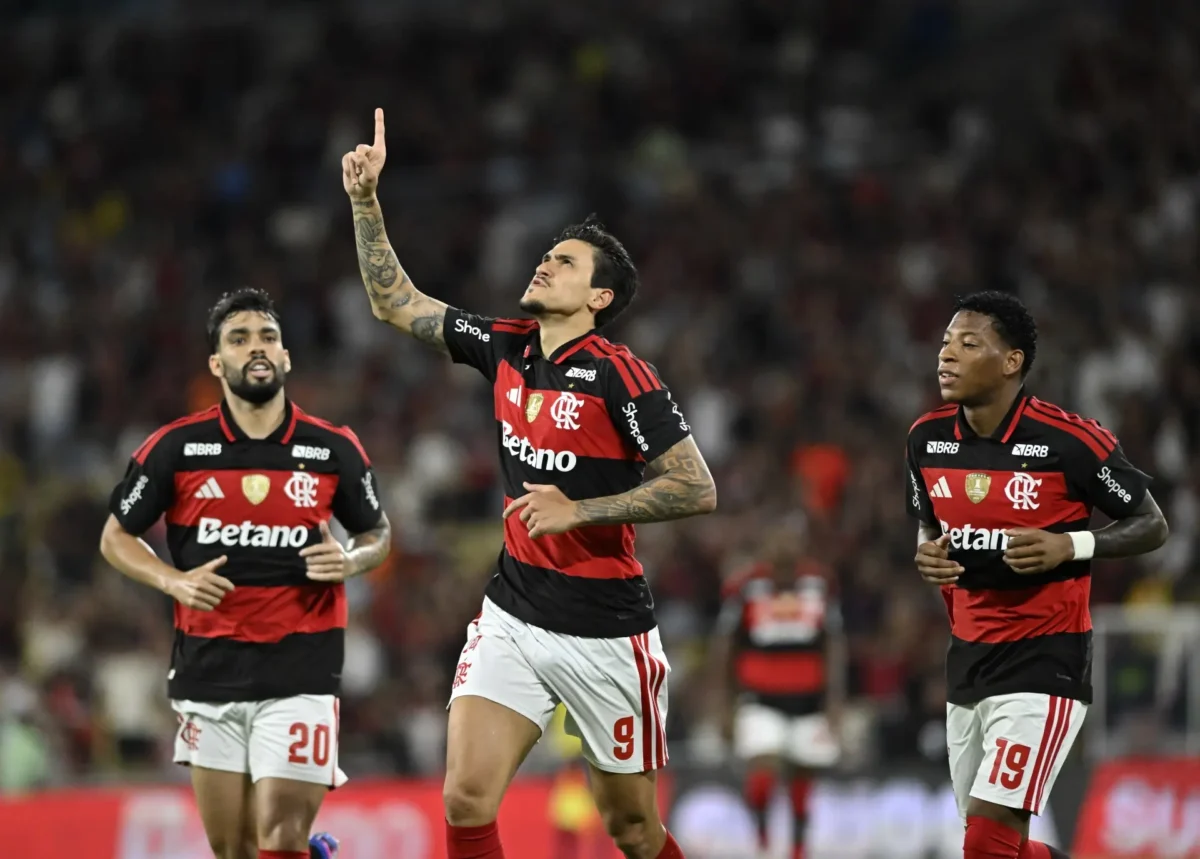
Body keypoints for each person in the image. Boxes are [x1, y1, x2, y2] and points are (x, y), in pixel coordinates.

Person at [342, 109, 717, 859]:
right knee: (464, 795)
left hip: (608, 629)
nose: (545, 264)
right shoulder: (505, 345)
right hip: (514, 611)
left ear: (598, 299)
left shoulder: (621, 374)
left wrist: (581, 508)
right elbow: (396, 302)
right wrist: (365, 203)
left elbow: (695, 485)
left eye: (566, 262)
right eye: (547, 254)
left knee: (634, 830)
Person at [99, 288, 392, 859]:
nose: (256, 348)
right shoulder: (175, 448)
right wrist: (173, 581)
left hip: (302, 668)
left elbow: (377, 532)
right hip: (208, 668)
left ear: (285, 358)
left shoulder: (332, 448)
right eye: (239, 339)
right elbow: (115, 536)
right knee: (233, 848)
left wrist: (352, 561)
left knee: (277, 837)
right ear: (217, 364)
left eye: (267, 337)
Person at [905, 291, 1169, 859]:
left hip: (1045, 658)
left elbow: (1151, 524)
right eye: (946, 343)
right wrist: (925, 551)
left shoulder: (1070, 442)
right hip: (968, 658)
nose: (947, 356)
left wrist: (1069, 545)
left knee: (987, 843)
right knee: (1000, 846)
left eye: (968, 344)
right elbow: (928, 522)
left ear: (1011, 362)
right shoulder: (924, 440)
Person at [713, 522, 845, 859]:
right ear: (767, 544)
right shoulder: (746, 585)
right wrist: (723, 707)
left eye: (793, 540)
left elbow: (834, 643)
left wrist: (834, 704)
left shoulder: (819, 583)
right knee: (763, 772)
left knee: (803, 777)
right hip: (760, 698)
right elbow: (725, 645)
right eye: (779, 540)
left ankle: (798, 850)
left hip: (809, 699)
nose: (786, 547)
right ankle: (761, 841)